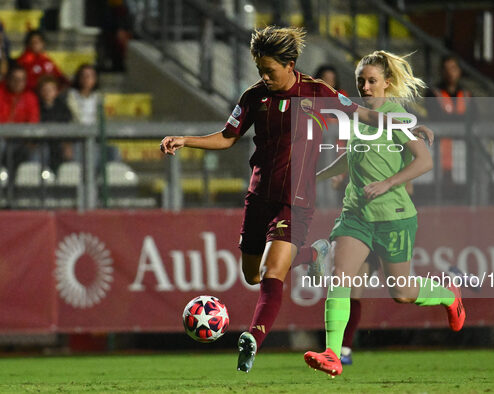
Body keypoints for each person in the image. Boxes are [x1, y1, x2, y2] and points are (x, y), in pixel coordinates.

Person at [160, 26, 433, 374]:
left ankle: (253, 340)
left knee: (271, 272)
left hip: (295, 200)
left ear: (289, 64)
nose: (264, 76)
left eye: (269, 70)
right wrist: (186, 140)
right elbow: (228, 137)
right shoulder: (253, 97)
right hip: (258, 198)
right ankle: (313, 253)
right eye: (260, 69)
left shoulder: (318, 93)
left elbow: (365, 115)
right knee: (252, 274)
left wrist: (408, 129)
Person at [303, 50, 465, 377]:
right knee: (340, 278)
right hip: (356, 214)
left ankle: (448, 295)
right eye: (361, 80)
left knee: (402, 293)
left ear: (387, 84)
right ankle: (333, 353)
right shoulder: (359, 116)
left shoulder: (396, 117)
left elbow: (425, 161)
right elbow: (353, 156)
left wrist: (388, 182)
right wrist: (315, 176)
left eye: (372, 81)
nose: (365, 86)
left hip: (394, 216)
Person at [425, 56, 474, 185]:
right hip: (440, 149)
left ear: (459, 71)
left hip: (463, 149)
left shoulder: (467, 94)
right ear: (441, 71)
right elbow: (436, 116)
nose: (450, 73)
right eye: (446, 69)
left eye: (453, 68)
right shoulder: (433, 93)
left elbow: (474, 117)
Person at [37, 75, 73, 171]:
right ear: (40, 91)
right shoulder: (36, 107)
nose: (48, 92)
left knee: (69, 151)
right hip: (42, 142)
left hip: (59, 142)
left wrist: (67, 143)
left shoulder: (63, 108)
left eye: (51, 89)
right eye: (45, 89)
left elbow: (68, 128)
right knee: (42, 150)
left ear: (56, 92)